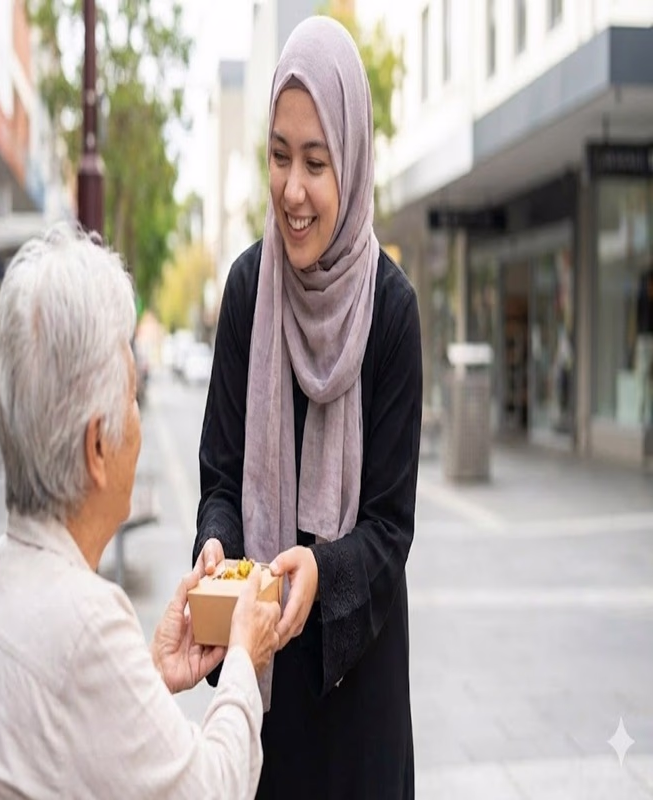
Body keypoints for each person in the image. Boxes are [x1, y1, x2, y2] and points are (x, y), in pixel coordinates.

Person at [0, 223, 281, 799]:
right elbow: (214, 790)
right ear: (98, 448)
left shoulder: (7, 573)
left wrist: (146, 674)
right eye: (131, 397)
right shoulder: (84, 624)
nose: (139, 420)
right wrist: (246, 656)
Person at [192, 16, 422, 799]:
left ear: (350, 164)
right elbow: (221, 479)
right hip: (262, 694)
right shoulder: (247, 291)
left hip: (358, 693)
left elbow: (391, 530)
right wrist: (217, 548)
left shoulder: (391, 311)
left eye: (316, 163)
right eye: (279, 156)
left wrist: (322, 571)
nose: (293, 190)